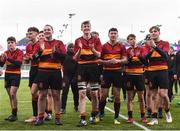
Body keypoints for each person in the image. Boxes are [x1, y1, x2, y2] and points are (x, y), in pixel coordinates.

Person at [33, 24, 66, 126]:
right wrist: (41, 50)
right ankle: (40, 117)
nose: (47, 31)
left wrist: (55, 52)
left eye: (49, 29)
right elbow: (34, 58)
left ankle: (57, 118)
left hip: (55, 72)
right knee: (42, 95)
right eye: (45, 30)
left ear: (52, 31)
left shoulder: (59, 43)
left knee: (56, 95)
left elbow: (64, 57)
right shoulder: (39, 44)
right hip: (42, 73)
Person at [74, 20, 102, 127]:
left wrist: (92, 48)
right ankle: (82, 118)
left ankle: (94, 115)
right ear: (81, 29)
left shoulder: (96, 39)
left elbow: (99, 55)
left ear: (90, 28)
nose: (86, 28)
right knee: (82, 93)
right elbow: (75, 58)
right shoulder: (77, 40)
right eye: (84, 26)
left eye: (88, 26)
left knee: (94, 94)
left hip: (93, 67)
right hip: (81, 67)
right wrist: (80, 49)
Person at [99, 28, 127, 124]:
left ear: (117, 35)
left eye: (115, 33)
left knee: (117, 96)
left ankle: (116, 117)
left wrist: (118, 61)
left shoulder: (121, 46)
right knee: (103, 96)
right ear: (108, 35)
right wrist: (108, 62)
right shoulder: (103, 46)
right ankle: (101, 113)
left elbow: (125, 59)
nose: (113, 35)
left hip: (117, 73)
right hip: (106, 73)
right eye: (111, 33)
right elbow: (98, 60)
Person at [146, 26, 172, 125]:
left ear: (159, 32)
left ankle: (167, 112)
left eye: (155, 31)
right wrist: (150, 49)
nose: (153, 33)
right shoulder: (147, 45)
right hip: (151, 72)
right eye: (151, 32)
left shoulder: (165, 43)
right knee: (153, 96)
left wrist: (155, 47)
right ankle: (154, 118)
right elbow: (144, 60)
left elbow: (166, 57)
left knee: (163, 94)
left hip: (162, 71)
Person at [125, 34, 147, 123]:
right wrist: (130, 58)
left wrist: (139, 57)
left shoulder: (141, 49)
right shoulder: (127, 50)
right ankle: (130, 117)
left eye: (133, 39)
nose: (132, 41)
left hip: (139, 75)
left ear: (136, 40)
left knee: (141, 97)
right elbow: (125, 63)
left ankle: (143, 116)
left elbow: (145, 62)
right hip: (129, 75)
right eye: (130, 39)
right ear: (128, 41)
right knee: (130, 97)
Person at [0, 36, 23, 121]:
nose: (10, 44)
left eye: (12, 42)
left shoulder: (20, 52)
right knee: (10, 95)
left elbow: (18, 63)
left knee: (13, 93)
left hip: (16, 74)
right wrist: (1, 59)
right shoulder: (5, 52)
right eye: (8, 43)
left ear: (15, 43)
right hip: (7, 75)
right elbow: (1, 64)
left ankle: (14, 114)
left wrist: (7, 58)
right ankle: (13, 114)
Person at [24, 27, 40, 123]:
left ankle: (39, 115)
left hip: (40, 69)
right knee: (34, 95)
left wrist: (31, 57)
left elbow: (37, 56)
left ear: (36, 34)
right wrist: (27, 58)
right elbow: (27, 60)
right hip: (32, 70)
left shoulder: (40, 44)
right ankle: (39, 114)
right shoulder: (28, 45)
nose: (29, 35)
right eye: (28, 33)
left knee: (35, 92)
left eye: (31, 33)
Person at [61, 43, 79, 114]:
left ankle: (76, 106)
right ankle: (63, 108)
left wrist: (76, 76)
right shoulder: (64, 56)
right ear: (67, 48)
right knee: (64, 92)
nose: (71, 48)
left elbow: (78, 67)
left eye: (73, 47)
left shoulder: (76, 56)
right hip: (66, 77)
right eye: (70, 47)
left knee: (76, 93)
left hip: (74, 76)